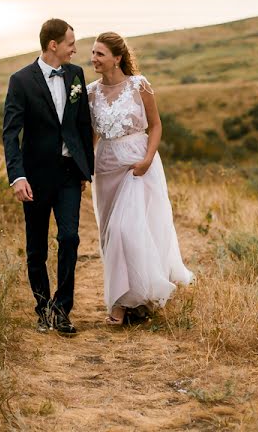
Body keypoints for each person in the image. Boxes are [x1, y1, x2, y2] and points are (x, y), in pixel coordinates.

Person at [87, 32, 193, 326]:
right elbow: (93, 135)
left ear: (117, 58)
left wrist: (147, 159)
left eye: (99, 54)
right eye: (93, 53)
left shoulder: (139, 85)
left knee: (129, 229)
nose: (93, 59)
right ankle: (136, 293)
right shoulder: (90, 92)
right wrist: (84, 166)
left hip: (138, 163)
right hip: (106, 166)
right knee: (111, 234)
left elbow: (156, 125)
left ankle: (123, 304)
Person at [3, 18, 95, 335]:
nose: (75, 48)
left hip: (70, 175)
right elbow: (10, 134)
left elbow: (83, 125)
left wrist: (87, 169)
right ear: (53, 45)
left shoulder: (76, 75)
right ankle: (42, 308)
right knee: (37, 249)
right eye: (71, 42)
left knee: (69, 238)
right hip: (35, 178)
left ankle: (62, 309)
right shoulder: (21, 81)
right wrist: (17, 177)